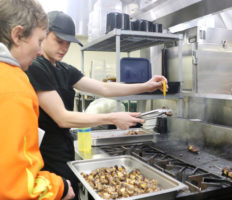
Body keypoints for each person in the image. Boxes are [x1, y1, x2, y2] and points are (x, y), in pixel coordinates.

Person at [26, 11, 168, 199]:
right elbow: (62, 118)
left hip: (64, 150)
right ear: (44, 34)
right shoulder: (36, 67)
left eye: (68, 43)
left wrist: (146, 86)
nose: (65, 47)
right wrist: (112, 117)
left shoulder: (64, 69)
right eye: (59, 41)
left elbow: (104, 88)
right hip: (46, 157)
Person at [0, 1, 75, 200]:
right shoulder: (13, 85)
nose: (40, 51)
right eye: (39, 40)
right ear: (17, 35)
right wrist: (60, 187)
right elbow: (15, 185)